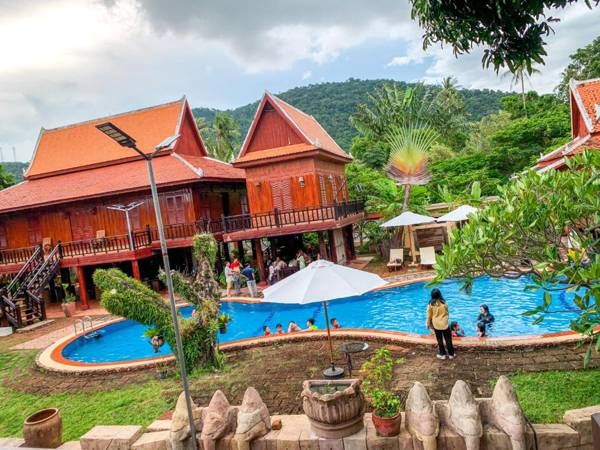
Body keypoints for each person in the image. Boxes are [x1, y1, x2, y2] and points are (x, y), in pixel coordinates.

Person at [425, 288, 455, 360]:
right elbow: (447, 312)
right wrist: (445, 319)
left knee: (439, 340)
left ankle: (442, 354)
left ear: (432, 295)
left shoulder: (430, 304)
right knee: (448, 339)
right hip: (445, 324)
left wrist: (427, 323)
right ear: (439, 294)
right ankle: (451, 354)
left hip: (436, 325)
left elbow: (429, 316)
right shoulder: (444, 302)